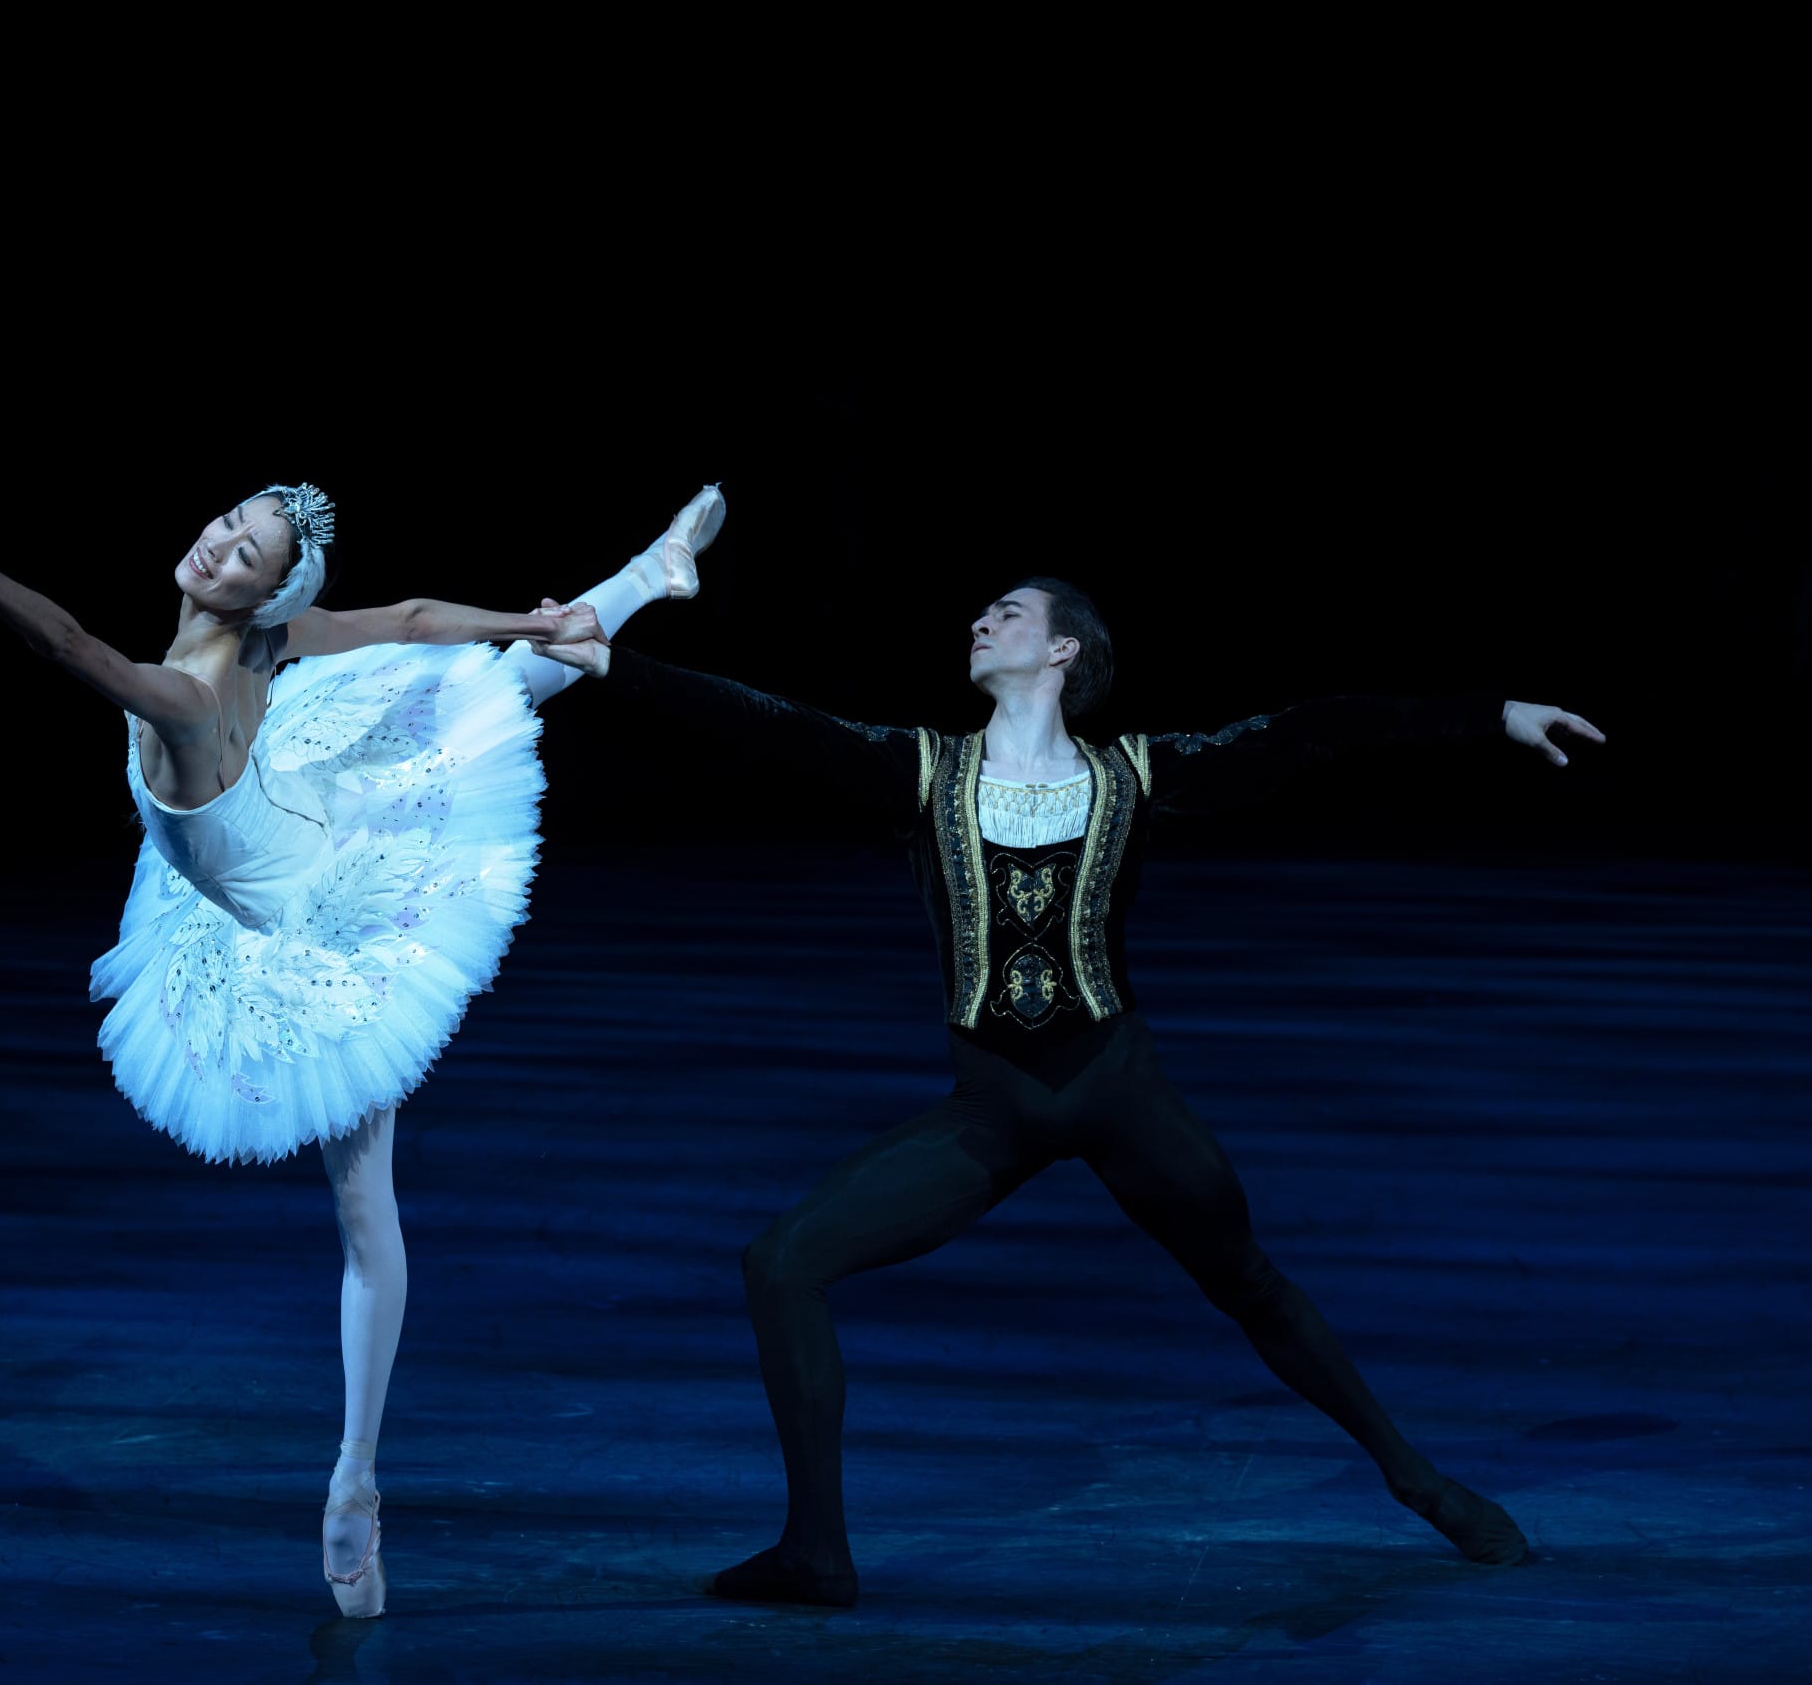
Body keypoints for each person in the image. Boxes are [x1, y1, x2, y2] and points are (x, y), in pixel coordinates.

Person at [546, 574, 1603, 1607]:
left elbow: (1313, 729)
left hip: (1117, 1092)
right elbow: (766, 724)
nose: (979, 620)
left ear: (1063, 651)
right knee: (780, 1264)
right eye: (980, 611)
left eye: (1007, 613)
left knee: (1248, 1284)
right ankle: (815, 1553)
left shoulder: (1134, 775)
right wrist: (606, 662)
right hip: (992, 1111)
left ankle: (1417, 1479)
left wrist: (1493, 714)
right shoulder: (925, 770)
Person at [0, 481, 721, 1617]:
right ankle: (633, 589)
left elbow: (68, 640)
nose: (215, 548)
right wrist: (525, 619)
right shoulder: (257, 639)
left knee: (366, 1216)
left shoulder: (189, 694)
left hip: (319, 919)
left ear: (270, 589)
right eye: (222, 524)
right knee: (481, 686)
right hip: (286, 831)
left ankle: (354, 1483)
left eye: (244, 550)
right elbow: (401, 618)